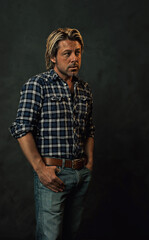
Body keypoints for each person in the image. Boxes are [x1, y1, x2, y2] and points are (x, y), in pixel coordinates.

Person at [9, 28, 95, 240]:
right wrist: (41, 169)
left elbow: (89, 128)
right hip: (53, 176)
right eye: (67, 53)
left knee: (71, 234)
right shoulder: (38, 85)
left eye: (78, 52)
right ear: (52, 57)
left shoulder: (84, 89)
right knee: (50, 237)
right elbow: (21, 128)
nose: (74, 58)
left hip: (79, 174)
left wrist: (89, 163)